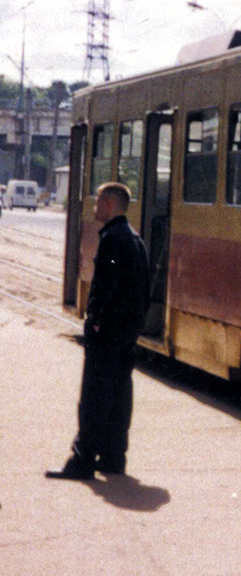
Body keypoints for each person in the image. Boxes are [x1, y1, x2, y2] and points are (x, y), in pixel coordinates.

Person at [47, 182, 149, 480]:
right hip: (127, 331)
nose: (94, 206)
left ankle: (82, 461)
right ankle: (114, 457)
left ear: (108, 204)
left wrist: (95, 319)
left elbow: (106, 283)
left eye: (98, 200)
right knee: (119, 394)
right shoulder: (134, 238)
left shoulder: (112, 239)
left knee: (94, 395)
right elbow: (141, 290)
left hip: (107, 331)